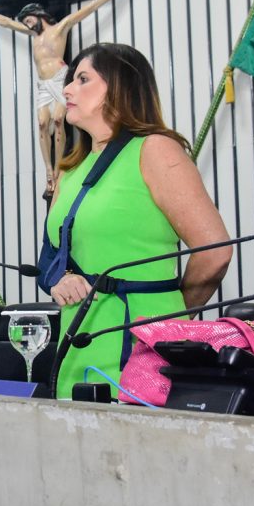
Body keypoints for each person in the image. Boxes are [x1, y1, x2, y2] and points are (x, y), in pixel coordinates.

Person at [46, 42, 231, 398]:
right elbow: (54, 254)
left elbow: (216, 252)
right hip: (78, 338)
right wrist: (60, 279)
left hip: (142, 343)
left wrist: (172, 310)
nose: (67, 89)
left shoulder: (155, 149)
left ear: (120, 87)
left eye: (82, 79)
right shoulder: (69, 170)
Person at [0, 0, 137, 201]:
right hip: (43, 84)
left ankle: (60, 166)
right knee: (42, 124)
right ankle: (48, 171)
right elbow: (7, 23)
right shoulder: (33, 35)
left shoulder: (60, 28)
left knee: (59, 119)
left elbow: (93, 5)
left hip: (60, 78)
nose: (28, 25)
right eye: (26, 23)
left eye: (29, 20)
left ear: (39, 15)